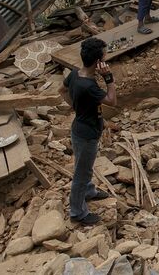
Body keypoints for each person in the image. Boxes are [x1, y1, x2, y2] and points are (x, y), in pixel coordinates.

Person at [59, 37, 116, 226]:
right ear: (98, 61)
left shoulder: (75, 74)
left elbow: (62, 90)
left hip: (80, 128)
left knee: (85, 166)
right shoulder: (89, 86)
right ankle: (77, 212)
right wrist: (109, 78)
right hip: (87, 134)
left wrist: (75, 106)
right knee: (80, 173)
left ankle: (89, 191)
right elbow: (111, 100)